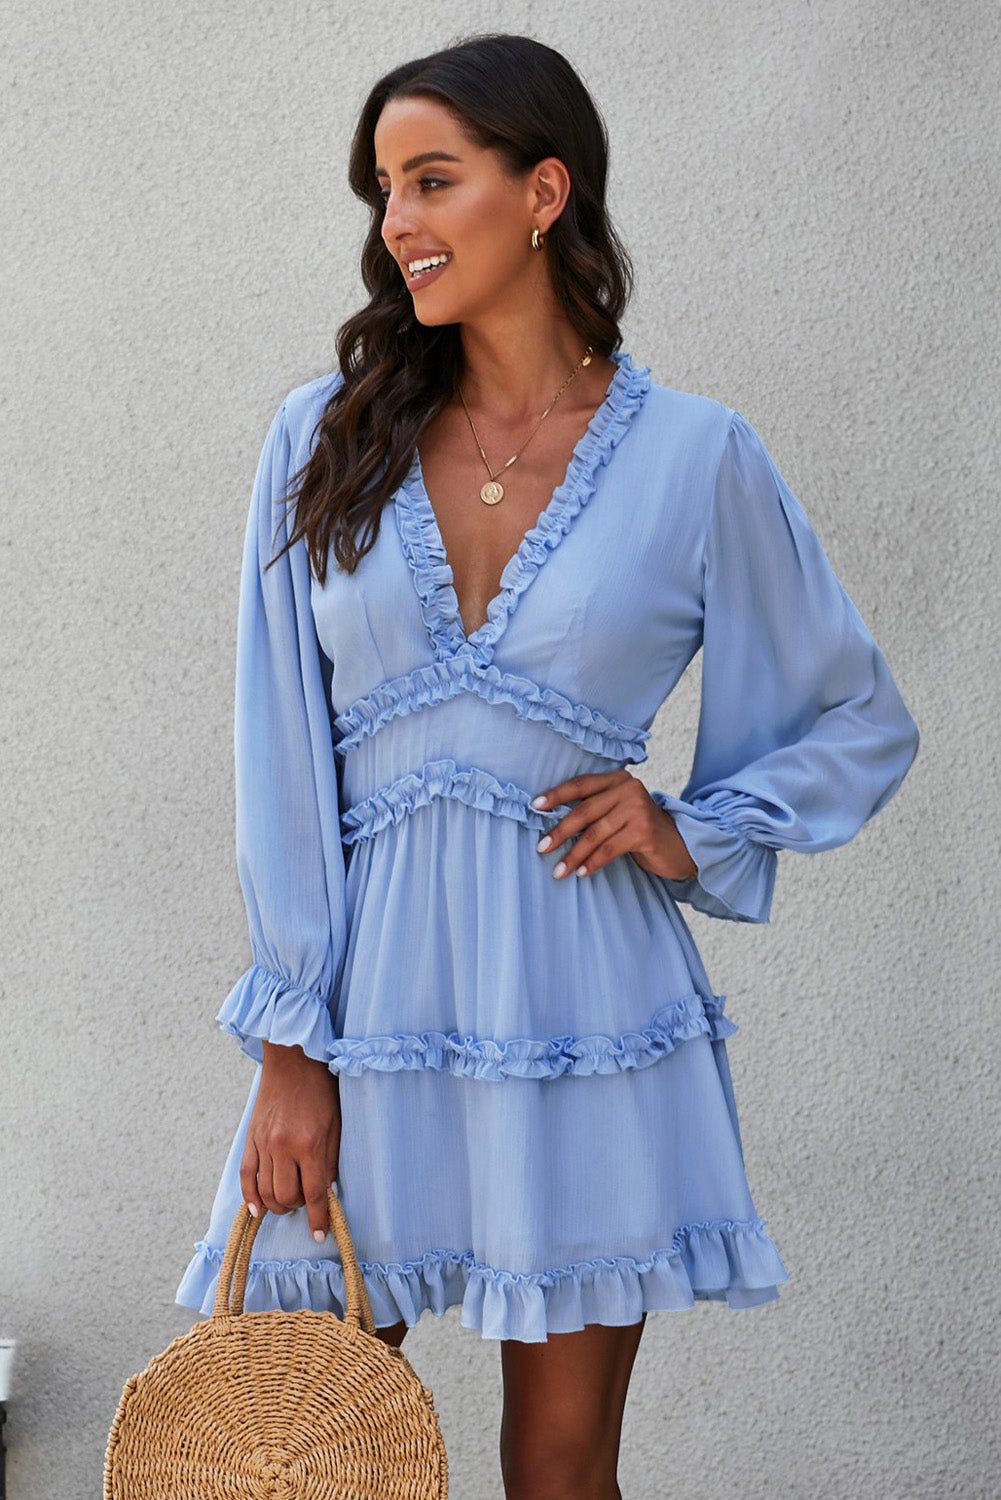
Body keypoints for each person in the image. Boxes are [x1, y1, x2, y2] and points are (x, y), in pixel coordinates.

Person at [175, 31, 921, 1500]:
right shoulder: (322, 439)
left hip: (584, 1008)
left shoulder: (696, 457)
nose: (396, 219)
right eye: (382, 188)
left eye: (431, 178)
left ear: (542, 192)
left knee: (563, 1471)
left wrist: (687, 824)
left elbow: (856, 714)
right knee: (305, 1454)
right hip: (363, 1012)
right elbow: (278, 751)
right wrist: (288, 1050)